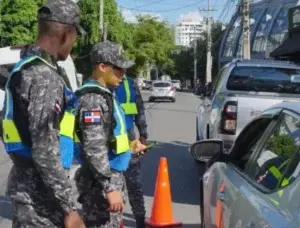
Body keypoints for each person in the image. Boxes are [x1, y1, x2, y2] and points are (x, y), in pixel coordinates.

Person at [2, 0, 85, 227]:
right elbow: (45, 149)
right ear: (67, 33)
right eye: (75, 37)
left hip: (29, 187)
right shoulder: (44, 77)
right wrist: (69, 208)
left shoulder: (26, 66)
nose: (73, 44)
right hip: (40, 199)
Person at [74, 41, 145, 227]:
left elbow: (106, 139)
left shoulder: (106, 95)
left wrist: (130, 147)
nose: (123, 74)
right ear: (102, 66)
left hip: (108, 177)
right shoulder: (93, 100)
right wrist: (110, 187)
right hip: (99, 183)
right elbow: (94, 147)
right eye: (118, 69)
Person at [114, 73, 148, 228]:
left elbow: (139, 110)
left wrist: (143, 135)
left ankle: (140, 222)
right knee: (113, 187)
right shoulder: (101, 85)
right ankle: (114, 221)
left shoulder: (130, 84)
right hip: (108, 145)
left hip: (129, 142)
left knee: (134, 185)